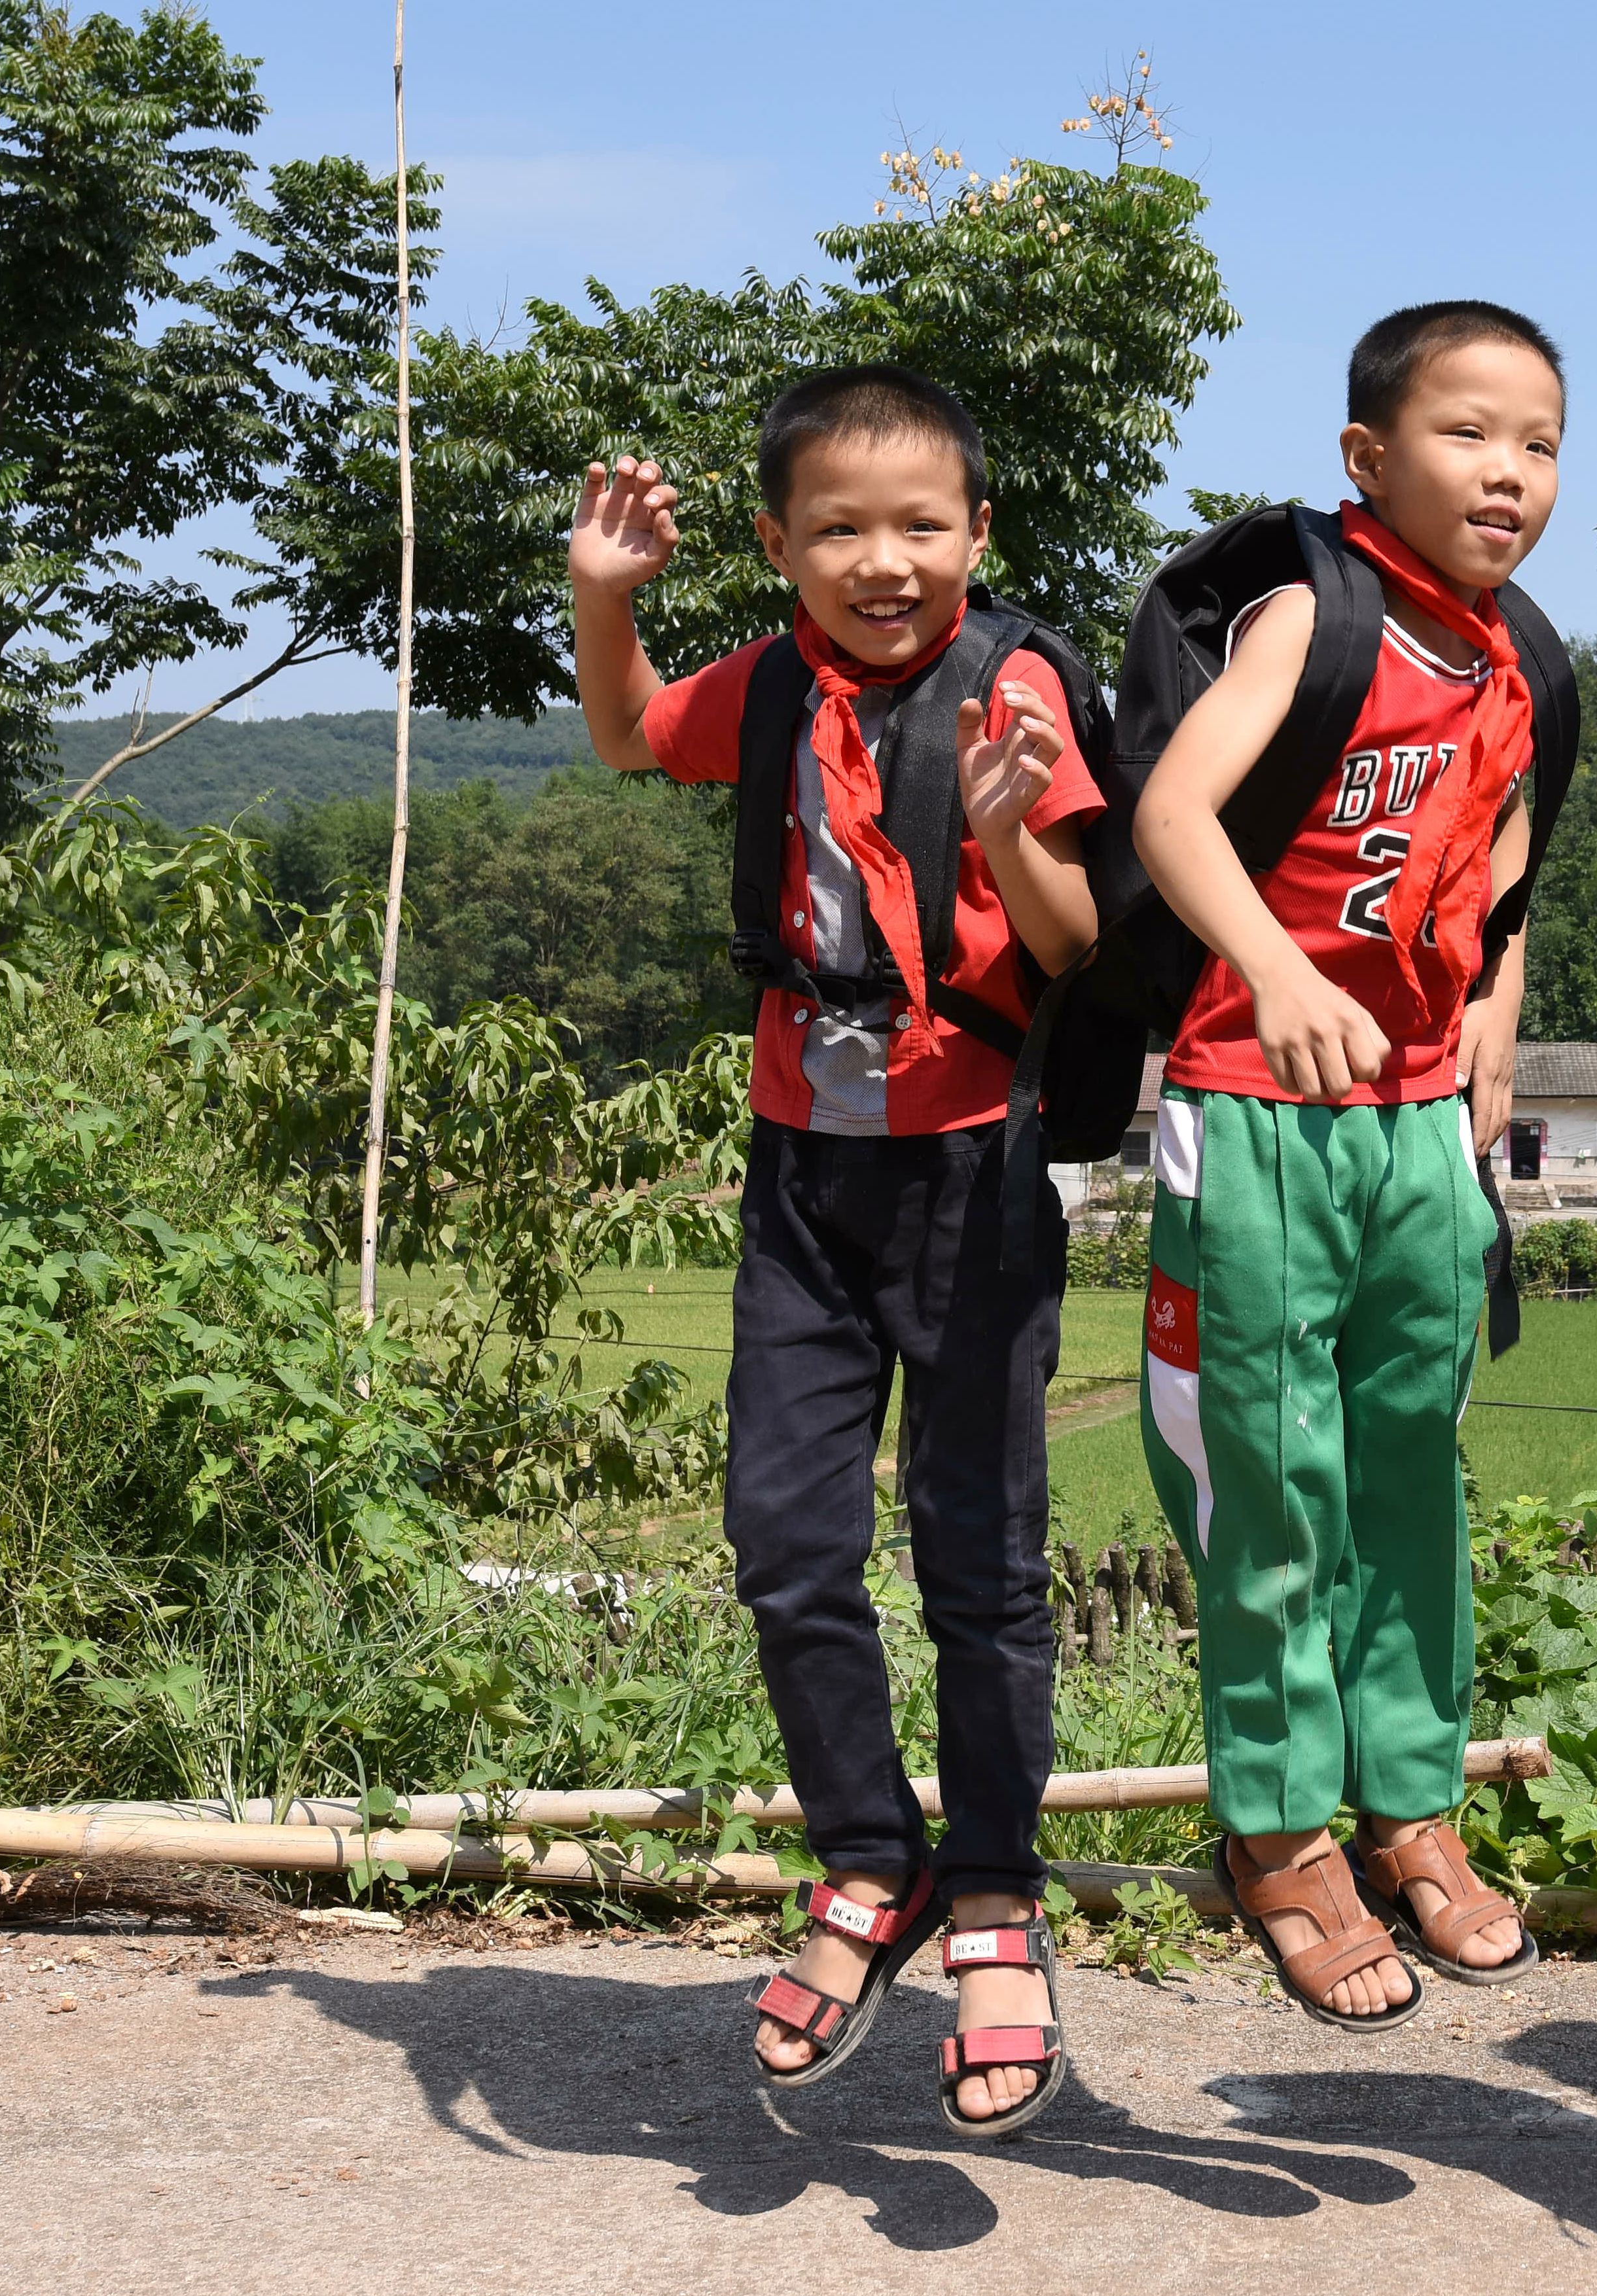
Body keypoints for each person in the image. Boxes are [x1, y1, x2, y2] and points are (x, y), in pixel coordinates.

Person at [568, 365, 1107, 2135]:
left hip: (970, 1165)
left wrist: (1012, 817)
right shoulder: (781, 681)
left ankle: (1000, 1900)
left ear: (978, 533)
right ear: (778, 545)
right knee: (788, 1545)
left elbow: (1075, 937)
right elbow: (633, 733)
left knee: (983, 1563)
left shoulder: (1010, 681)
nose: (886, 561)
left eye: (921, 527)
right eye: (842, 531)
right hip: (804, 1167)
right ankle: (868, 1865)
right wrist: (604, 595)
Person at [1130, 303, 1565, 2026]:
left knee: (1409, 1476)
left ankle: (1410, 1801)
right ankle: (1275, 1828)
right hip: (1257, 1105)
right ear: (1369, 459)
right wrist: (1285, 969)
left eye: (1538, 441)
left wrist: (1498, 1034)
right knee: (1278, 1484)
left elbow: (1503, 866)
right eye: (1468, 432)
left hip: (1413, 1133)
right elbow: (1175, 814)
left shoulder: (1514, 655)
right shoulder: (1327, 618)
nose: (1508, 470)